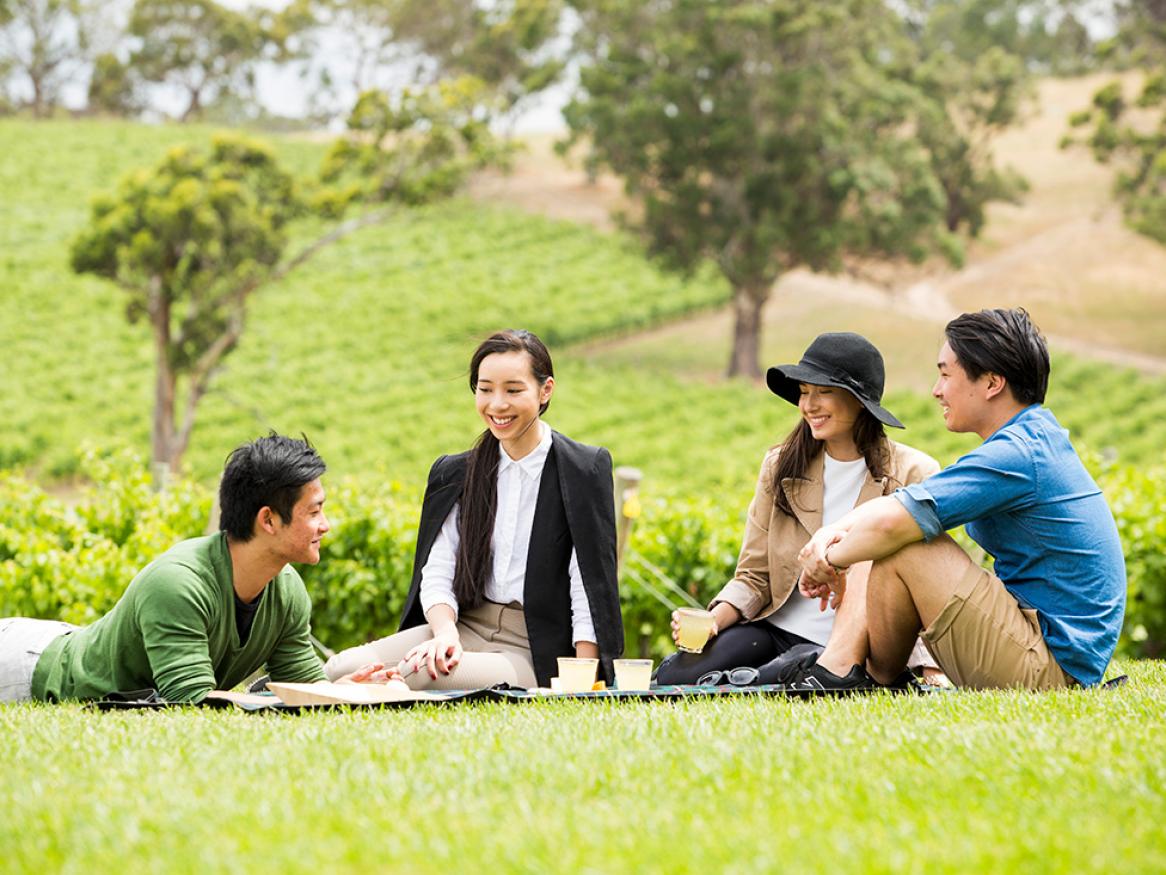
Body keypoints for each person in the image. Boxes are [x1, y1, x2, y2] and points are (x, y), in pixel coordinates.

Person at [794, 308, 1126, 691]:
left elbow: (893, 520)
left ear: (991, 383)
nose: (936, 390)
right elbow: (900, 506)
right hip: (1044, 645)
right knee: (895, 527)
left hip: (1051, 669)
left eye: (946, 374)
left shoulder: (1019, 453)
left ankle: (844, 672)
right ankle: (855, 671)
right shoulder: (1030, 440)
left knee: (903, 539)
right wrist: (833, 534)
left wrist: (826, 560)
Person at [324, 329, 624, 690]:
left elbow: (587, 581)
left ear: (545, 391)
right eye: (485, 389)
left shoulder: (582, 468)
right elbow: (438, 568)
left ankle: (354, 693)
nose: (497, 405)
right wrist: (444, 633)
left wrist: (583, 673)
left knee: (417, 674)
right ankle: (345, 689)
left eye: (513, 390)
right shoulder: (457, 472)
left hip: (532, 646)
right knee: (341, 666)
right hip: (463, 627)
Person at [0, 433, 395, 705]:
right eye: (314, 511)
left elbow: (300, 686)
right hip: (27, 667)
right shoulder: (178, 584)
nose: (325, 525)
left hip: (64, 639)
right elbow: (191, 702)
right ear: (269, 520)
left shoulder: (287, 589)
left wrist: (339, 691)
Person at [655, 332, 940, 687]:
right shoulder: (780, 465)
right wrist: (714, 620)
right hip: (774, 628)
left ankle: (767, 678)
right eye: (804, 392)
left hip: (846, 644)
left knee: (767, 681)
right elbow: (754, 575)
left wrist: (930, 667)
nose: (809, 405)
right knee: (673, 675)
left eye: (824, 392)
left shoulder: (914, 473)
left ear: (859, 401)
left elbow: (923, 585)